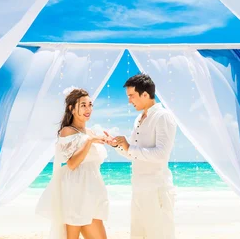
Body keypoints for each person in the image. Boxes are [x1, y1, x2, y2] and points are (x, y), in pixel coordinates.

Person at [108, 73, 178, 239]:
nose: (129, 101)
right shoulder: (139, 119)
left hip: (157, 190)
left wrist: (129, 147)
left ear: (145, 94)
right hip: (138, 189)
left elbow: (161, 154)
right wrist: (117, 145)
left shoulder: (163, 116)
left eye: (132, 96)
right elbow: (134, 154)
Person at [36, 87, 112, 239]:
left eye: (90, 104)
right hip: (75, 190)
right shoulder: (67, 131)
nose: (88, 109)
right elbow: (71, 164)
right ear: (71, 108)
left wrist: (111, 142)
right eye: (83, 105)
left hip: (93, 190)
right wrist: (89, 142)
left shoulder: (90, 132)